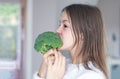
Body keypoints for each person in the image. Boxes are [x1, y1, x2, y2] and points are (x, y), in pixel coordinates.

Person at [33, 4, 108, 79]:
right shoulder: (62, 64)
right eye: (60, 24)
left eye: (65, 26)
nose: (57, 30)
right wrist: (42, 72)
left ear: (83, 35)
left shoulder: (92, 76)